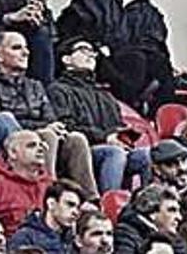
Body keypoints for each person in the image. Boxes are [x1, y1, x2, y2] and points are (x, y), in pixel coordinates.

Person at [0, 31, 99, 198]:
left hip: (41, 138)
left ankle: (91, 200)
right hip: (8, 144)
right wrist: (43, 128)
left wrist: (51, 127)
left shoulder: (35, 85)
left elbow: (50, 118)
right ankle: (47, 189)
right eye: (16, 48)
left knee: (76, 139)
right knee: (43, 133)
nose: (26, 52)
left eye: (26, 48)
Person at [57, 0, 172, 108]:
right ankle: (129, 109)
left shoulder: (150, 13)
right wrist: (100, 47)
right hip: (101, 58)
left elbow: (154, 43)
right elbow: (73, 29)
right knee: (134, 60)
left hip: (135, 62)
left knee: (157, 63)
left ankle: (159, 120)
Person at [46, 36, 129, 194]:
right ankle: (110, 206)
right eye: (84, 50)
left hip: (110, 145)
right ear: (66, 59)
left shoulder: (105, 95)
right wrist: (105, 138)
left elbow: (118, 126)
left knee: (147, 156)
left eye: (93, 52)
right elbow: (66, 126)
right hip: (82, 151)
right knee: (114, 153)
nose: (91, 55)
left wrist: (124, 138)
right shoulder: (58, 90)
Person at [7, 179, 83, 254]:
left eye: (78, 208)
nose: (76, 212)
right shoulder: (25, 237)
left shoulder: (73, 240)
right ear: (51, 204)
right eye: (70, 205)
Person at [112, 184, 182, 254]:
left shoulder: (175, 238)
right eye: (172, 210)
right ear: (152, 212)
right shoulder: (125, 234)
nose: (179, 217)